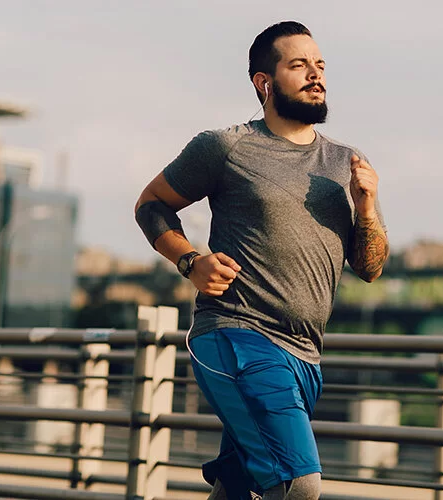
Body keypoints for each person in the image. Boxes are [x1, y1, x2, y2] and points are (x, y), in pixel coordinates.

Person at [134, 20, 389, 500]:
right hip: (238, 336)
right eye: (299, 65)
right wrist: (190, 261)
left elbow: (370, 267)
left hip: (306, 355)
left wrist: (367, 208)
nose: (316, 75)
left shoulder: (346, 161)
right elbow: (151, 204)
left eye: (320, 65)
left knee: (239, 488)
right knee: (297, 485)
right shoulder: (226, 147)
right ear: (264, 82)